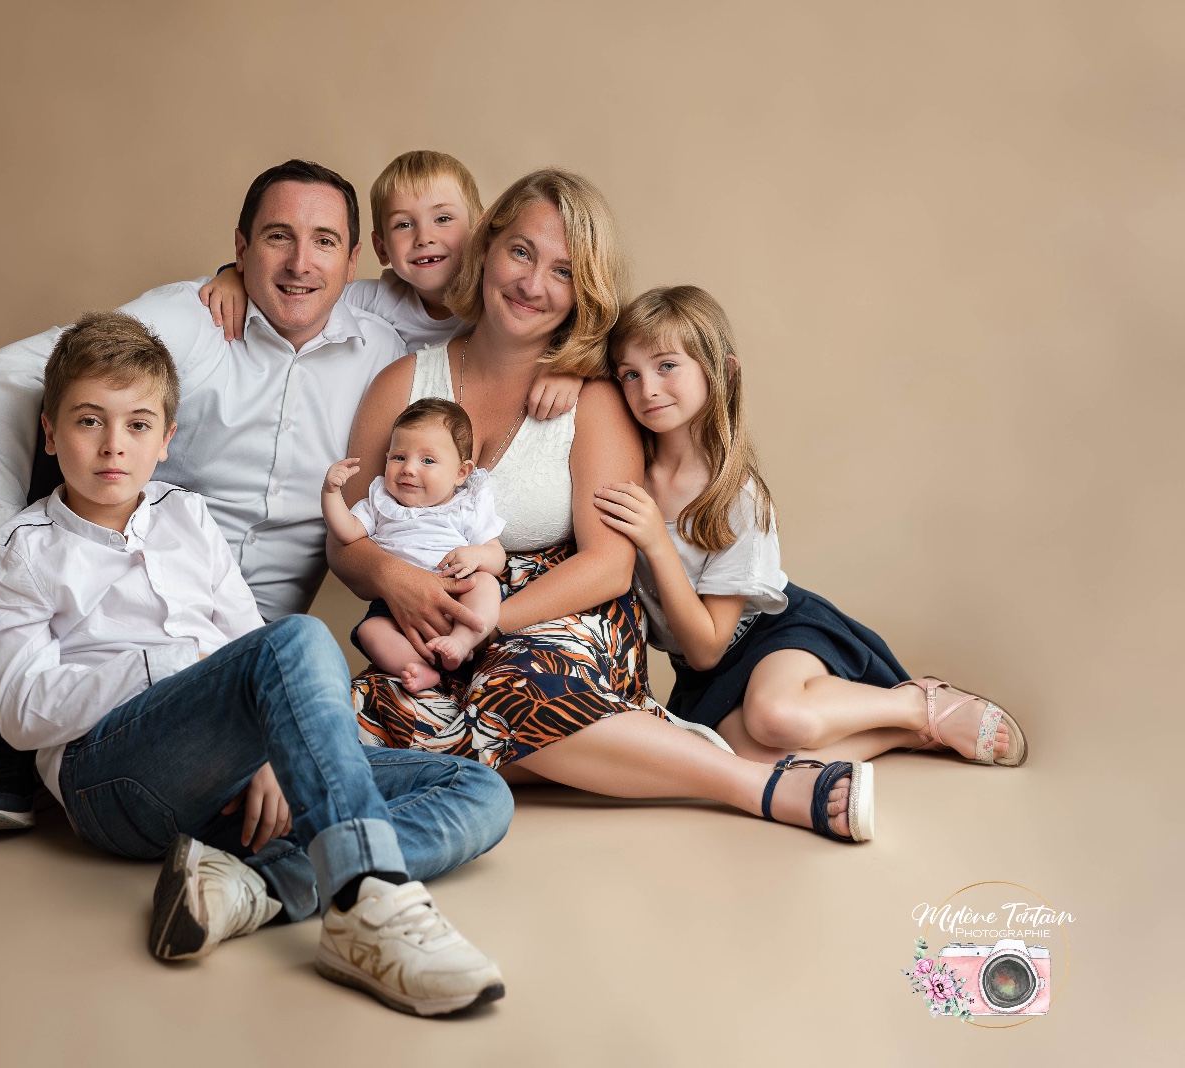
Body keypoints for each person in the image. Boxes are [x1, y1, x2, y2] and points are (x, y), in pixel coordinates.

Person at [0, 309, 510, 1015]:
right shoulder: (18, 551)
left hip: (227, 777)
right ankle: (367, 905)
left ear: (166, 440)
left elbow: (239, 636)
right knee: (298, 638)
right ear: (49, 431)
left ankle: (252, 887)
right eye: (87, 421)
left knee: (478, 793)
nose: (113, 446)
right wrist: (171, 664)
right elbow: (18, 712)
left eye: (137, 424)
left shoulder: (186, 516)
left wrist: (268, 753)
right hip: (111, 782)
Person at [0, 160, 409, 832]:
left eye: (323, 242)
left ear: (354, 261)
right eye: (275, 238)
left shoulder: (384, 349)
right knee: (88, 420)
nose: (299, 263)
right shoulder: (193, 318)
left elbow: (464, 309)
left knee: (426, 773)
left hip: (246, 638)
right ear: (239, 246)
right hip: (121, 610)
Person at [340, 168, 876, 843]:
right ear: (487, 245)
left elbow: (608, 565)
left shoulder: (593, 396)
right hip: (427, 618)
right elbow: (348, 540)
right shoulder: (403, 383)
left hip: (566, 615)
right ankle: (630, 746)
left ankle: (763, 785)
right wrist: (402, 583)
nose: (533, 284)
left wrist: (488, 621)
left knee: (514, 687)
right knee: (364, 724)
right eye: (521, 252)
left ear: (583, 291)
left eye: (564, 271)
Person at [594, 285, 1027, 770]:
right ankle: (906, 734)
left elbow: (708, 648)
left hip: (770, 634)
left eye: (666, 365)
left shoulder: (737, 497)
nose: (646, 388)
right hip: (700, 668)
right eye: (629, 374)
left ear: (722, 371)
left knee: (777, 717)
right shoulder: (625, 472)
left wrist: (657, 541)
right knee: (739, 759)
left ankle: (914, 702)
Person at [201, 150, 586, 419]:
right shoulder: (373, 301)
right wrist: (232, 275)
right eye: (404, 224)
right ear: (381, 248)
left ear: (482, 229)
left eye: (443, 219)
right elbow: (301, 289)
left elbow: (580, 329)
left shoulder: (507, 300)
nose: (424, 237)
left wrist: (571, 369)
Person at [323, 398, 506, 693]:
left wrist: (476, 555)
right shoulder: (381, 500)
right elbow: (347, 532)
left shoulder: (467, 505)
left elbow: (496, 557)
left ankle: (461, 641)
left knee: (485, 583)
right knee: (371, 630)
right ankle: (417, 668)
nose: (408, 469)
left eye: (428, 461)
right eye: (398, 457)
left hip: (457, 590)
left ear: (461, 472)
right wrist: (331, 493)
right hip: (395, 602)